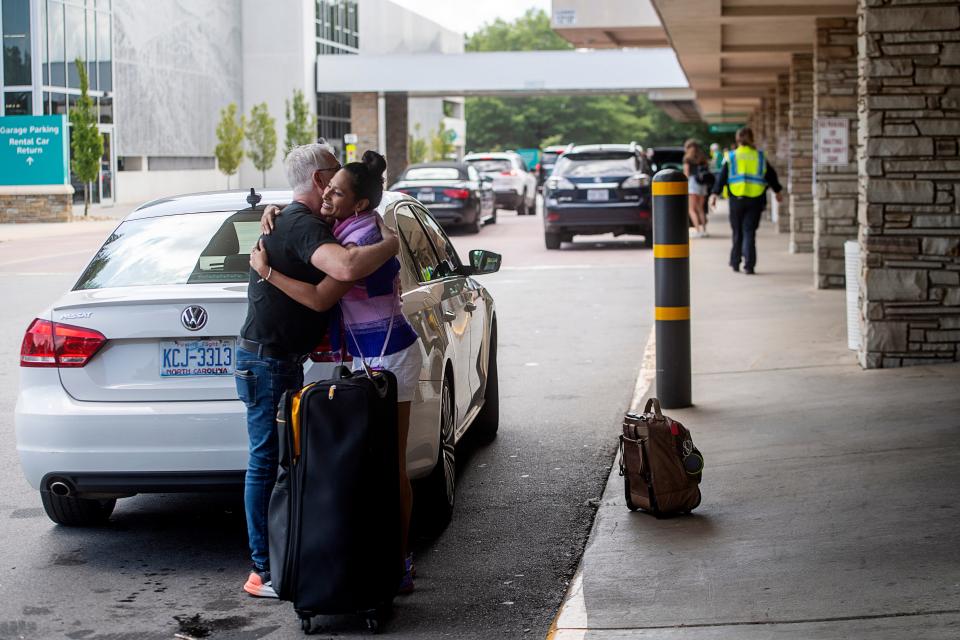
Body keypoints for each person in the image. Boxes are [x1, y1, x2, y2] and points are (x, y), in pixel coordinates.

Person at [254, 150, 422, 595]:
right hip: (360, 359)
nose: (327, 194)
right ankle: (370, 555)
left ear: (360, 204)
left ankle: (399, 561)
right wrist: (272, 211)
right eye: (326, 187)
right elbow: (304, 222)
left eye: (337, 191)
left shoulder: (361, 239)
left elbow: (319, 298)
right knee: (362, 463)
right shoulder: (341, 226)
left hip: (392, 357)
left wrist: (268, 271)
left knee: (390, 465)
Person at [709, 126, 783, 275]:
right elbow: (771, 176)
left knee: (737, 232)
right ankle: (749, 265)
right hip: (755, 200)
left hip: (737, 199)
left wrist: (714, 195)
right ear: (752, 138)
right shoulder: (759, 156)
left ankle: (735, 262)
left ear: (737, 139)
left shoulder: (731, 156)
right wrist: (777, 191)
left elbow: (722, 177)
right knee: (749, 232)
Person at [683, 140, 710, 238]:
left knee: (691, 209)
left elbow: (686, 173)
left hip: (692, 183)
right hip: (702, 184)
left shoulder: (687, 158)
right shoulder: (702, 157)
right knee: (700, 208)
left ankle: (698, 231)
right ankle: (704, 230)